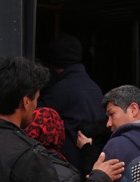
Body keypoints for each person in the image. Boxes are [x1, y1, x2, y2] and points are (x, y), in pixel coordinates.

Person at [38, 33, 104, 169]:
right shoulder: (95, 88)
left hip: (69, 166)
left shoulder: (60, 90)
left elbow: (35, 120)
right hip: (92, 162)